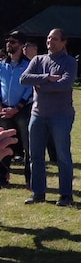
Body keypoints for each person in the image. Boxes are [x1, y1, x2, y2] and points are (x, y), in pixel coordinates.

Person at [20, 28, 77, 206]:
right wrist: (46, 77)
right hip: (38, 115)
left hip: (61, 116)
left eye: (54, 39)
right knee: (35, 156)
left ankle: (66, 195)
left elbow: (65, 84)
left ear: (63, 42)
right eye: (49, 38)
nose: (50, 41)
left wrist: (40, 85)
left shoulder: (69, 62)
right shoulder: (38, 60)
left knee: (62, 156)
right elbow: (24, 78)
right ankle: (38, 193)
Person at [1, 31, 33, 185]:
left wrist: (17, 108)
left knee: (28, 146)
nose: (9, 44)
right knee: (3, 143)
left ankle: (30, 180)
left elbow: (30, 88)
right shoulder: (2, 64)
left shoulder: (29, 65)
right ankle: (2, 177)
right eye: (8, 41)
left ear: (21, 46)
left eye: (13, 42)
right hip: (4, 109)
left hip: (23, 110)